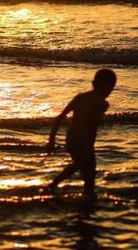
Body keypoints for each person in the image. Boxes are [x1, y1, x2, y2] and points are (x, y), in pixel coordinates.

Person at [46, 69, 117, 198]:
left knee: (87, 170)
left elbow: (59, 118)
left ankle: (86, 195)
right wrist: (89, 147)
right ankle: (53, 185)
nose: (110, 91)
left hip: (71, 138)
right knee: (83, 166)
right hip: (83, 140)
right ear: (108, 87)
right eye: (111, 88)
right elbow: (92, 127)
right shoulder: (102, 104)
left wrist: (51, 140)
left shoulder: (80, 97)